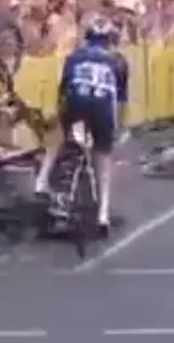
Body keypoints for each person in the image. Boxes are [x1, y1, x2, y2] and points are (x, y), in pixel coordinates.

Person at [37, 15, 129, 234]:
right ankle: (103, 213)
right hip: (102, 106)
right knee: (103, 155)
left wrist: (59, 116)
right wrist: (118, 129)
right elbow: (121, 100)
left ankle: (42, 179)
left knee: (59, 130)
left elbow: (62, 91)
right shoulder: (119, 60)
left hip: (77, 99)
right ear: (110, 39)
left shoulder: (74, 55)